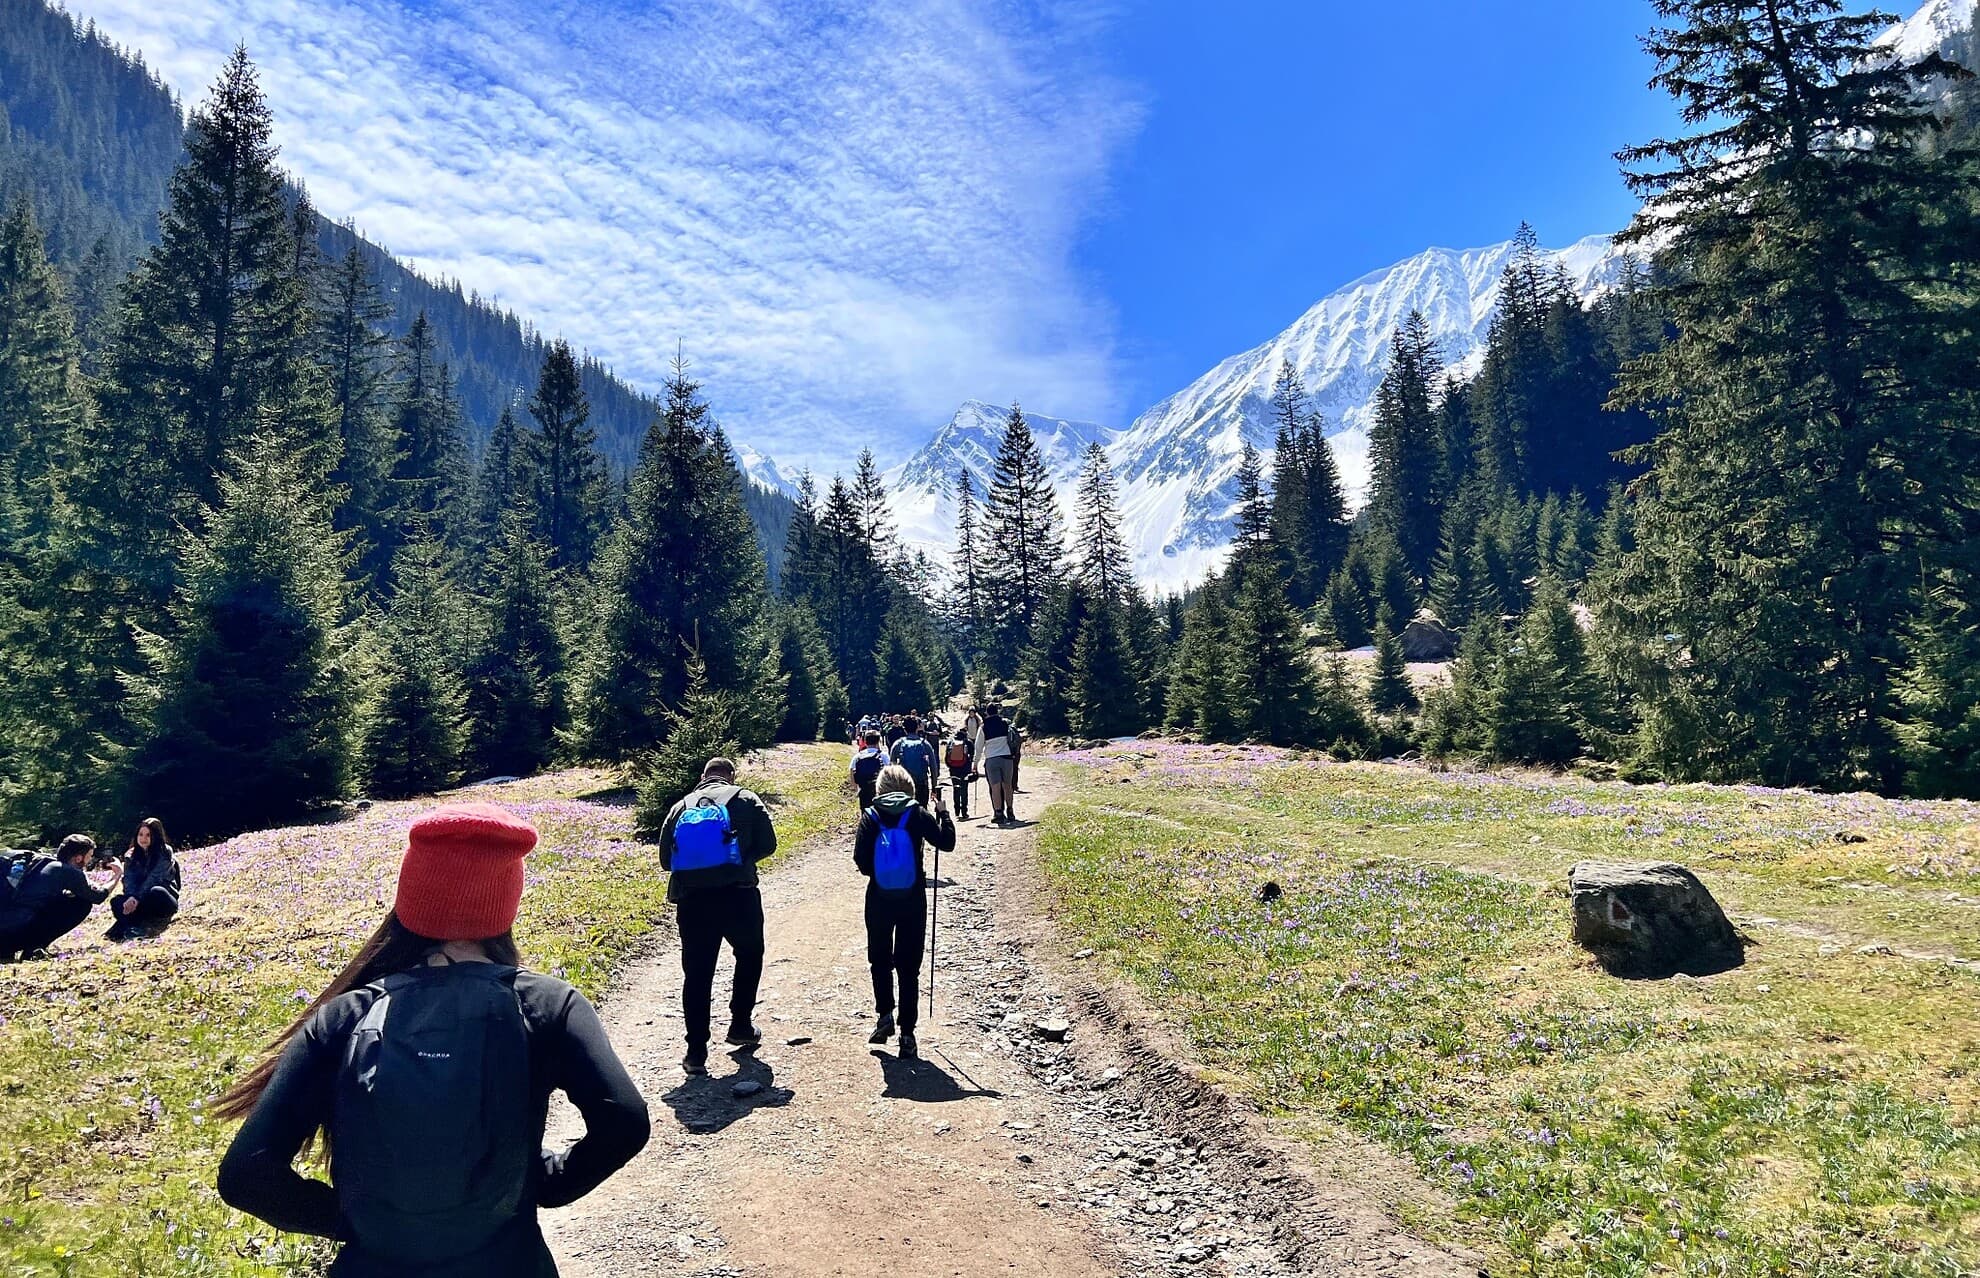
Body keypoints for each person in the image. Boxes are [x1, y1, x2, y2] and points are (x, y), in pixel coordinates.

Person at [214, 803, 649, 1277]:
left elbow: (246, 1175)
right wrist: (543, 1182)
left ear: (411, 900)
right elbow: (624, 1122)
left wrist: (359, 1220)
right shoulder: (549, 1004)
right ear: (505, 904)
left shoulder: (342, 1016)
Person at [656, 757, 777, 1076]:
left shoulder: (680, 807)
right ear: (731, 776)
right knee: (750, 955)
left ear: (703, 778)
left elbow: (666, 860)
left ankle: (696, 1053)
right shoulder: (747, 799)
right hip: (740, 895)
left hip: (693, 902)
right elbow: (769, 844)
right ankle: (740, 1024)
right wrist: (740, 858)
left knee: (697, 974)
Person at [853, 765, 955, 1060]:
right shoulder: (918, 813)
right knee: (909, 966)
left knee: (879, 958)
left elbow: (861, 860)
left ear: (880, 787)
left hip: (879, 896)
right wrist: (943, 812)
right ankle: (908, 1033)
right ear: (908, 785)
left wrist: (881, 873)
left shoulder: (870, 816)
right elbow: (946, 843)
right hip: (912, 896)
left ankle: (884, 1014)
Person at [0, 836, 115, 962]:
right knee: (81, 903)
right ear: (78, 858)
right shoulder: (68, 871)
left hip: (5, 929)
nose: (90, 860)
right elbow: (98, 896)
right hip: (13, 934)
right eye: (89, 856)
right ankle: (34, 949)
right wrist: (117, 874)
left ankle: (7, 952)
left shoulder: (40, 862)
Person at [108, 816, 180, 941]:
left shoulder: (165, 851)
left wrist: (136, 898)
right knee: (116, 901)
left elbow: (156, 878)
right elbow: (129, 880)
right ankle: (132, 925)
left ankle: (128, 924)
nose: (143, 839)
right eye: (140, 835)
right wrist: (131, 897)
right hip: (138, 899)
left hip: (162, 897)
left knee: (155, 892)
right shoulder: (131, 855)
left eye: (148, 835)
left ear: (155, 836)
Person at [975, 705, 1020, 825]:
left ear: (987, 713)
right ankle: (1010, 811)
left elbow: (978, 747)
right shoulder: (1005, 724)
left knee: (995, 787)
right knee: (1008, 786)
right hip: (1007, 757)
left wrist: (975, 764)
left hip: (991, 759)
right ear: (997, 711)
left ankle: (999, 813)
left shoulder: (983, 727)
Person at [888, 714, 937, 807]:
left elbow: (891, 768)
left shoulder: (898, 744)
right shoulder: (925, 744)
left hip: (904, 785)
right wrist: (934, 787)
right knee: (921, 812)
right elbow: (933, 768)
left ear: (904, 728)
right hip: (922, 783)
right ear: (917, 727)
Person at [942, 727, 974, 821]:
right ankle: (964, 811)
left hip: (953, 769)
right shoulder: (968, 743)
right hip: (965, 770)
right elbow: (972, 756)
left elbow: (946, 758)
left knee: (956, 788)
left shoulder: (951, 743)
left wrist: (951, 766)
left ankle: (956, 811)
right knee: (964, 789)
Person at [850, 731, 887, 808]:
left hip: (863, 789)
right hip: (879, 790)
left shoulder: (858, 756)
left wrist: (856, 787)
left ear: (865, 742)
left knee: (865, 811)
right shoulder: (883, 755)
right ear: (878, 742)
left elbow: (852, 771)